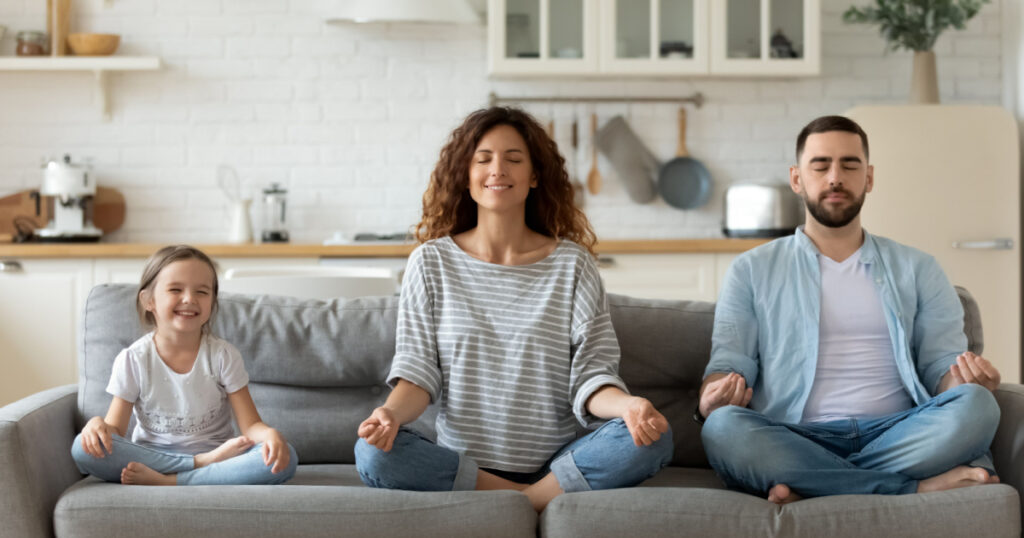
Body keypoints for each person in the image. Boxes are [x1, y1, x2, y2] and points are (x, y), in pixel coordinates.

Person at [354, 106, 673, 512]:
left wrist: (628, 406)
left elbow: (592, 376)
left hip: (557, 462)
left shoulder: (572, 264)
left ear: (534, 176)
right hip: (463, 463)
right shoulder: (431, 262)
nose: (497, 169)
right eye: (483, 159)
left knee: (654, 437)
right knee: (372, 453)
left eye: (514, 159)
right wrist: (388, 414)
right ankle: (530, 502)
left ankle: (515, 499)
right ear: (465, 175)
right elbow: (418, 374)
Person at [698, 115, 1002, 504]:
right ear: (796, 178)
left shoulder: (919, 268)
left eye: (849, 164)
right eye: (820, 165)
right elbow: (730, 362)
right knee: (723, 428)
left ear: (869, 178)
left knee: (978, 406)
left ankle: (813, 485)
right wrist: (711, 398)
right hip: (795, 434)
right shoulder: (751, 270)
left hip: (898, 430)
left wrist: (966, 382)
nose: (835, 177)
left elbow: (940, 367)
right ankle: (913, 488)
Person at [71, 245, 297, 486]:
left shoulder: (224, 356)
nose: (189, 299)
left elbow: (250, 425)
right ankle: (199, 466)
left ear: (212, 302)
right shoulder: (133, 359)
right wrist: (98, 426)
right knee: (81, 449)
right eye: (175, 289)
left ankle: (171, 480)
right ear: (149, 301)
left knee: (287, 457)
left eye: (202, 291)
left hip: (220, 458)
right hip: (162, 458)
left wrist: (270, 435)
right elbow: (114, 428)